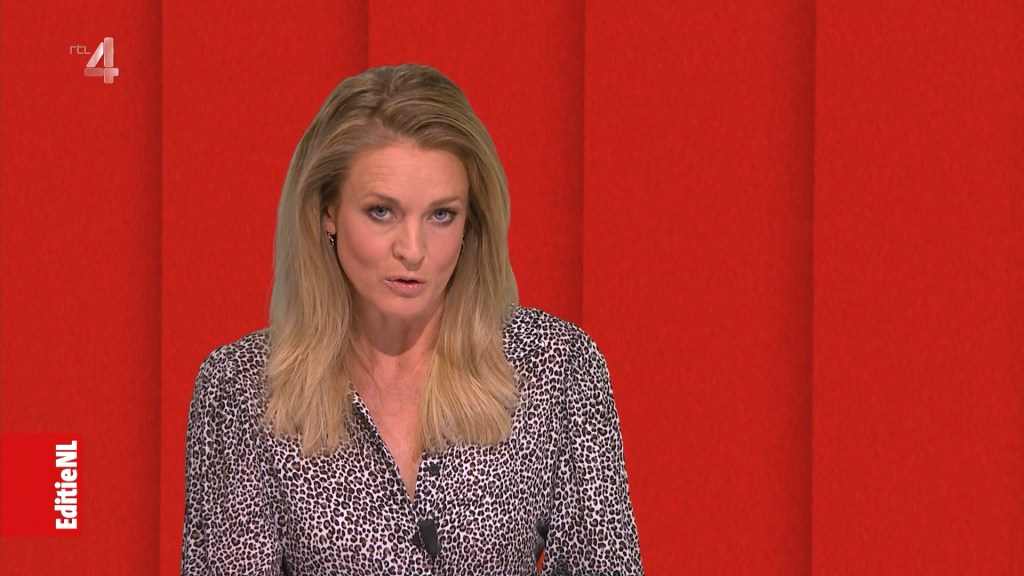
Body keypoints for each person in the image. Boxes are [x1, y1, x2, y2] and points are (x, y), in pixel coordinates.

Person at [181, 64, 643, 575]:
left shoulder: (555, 366)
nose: (413, 249)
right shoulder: (241, 388)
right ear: (328, 211)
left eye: (441, 215)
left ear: (470, 223)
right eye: (382, 211)